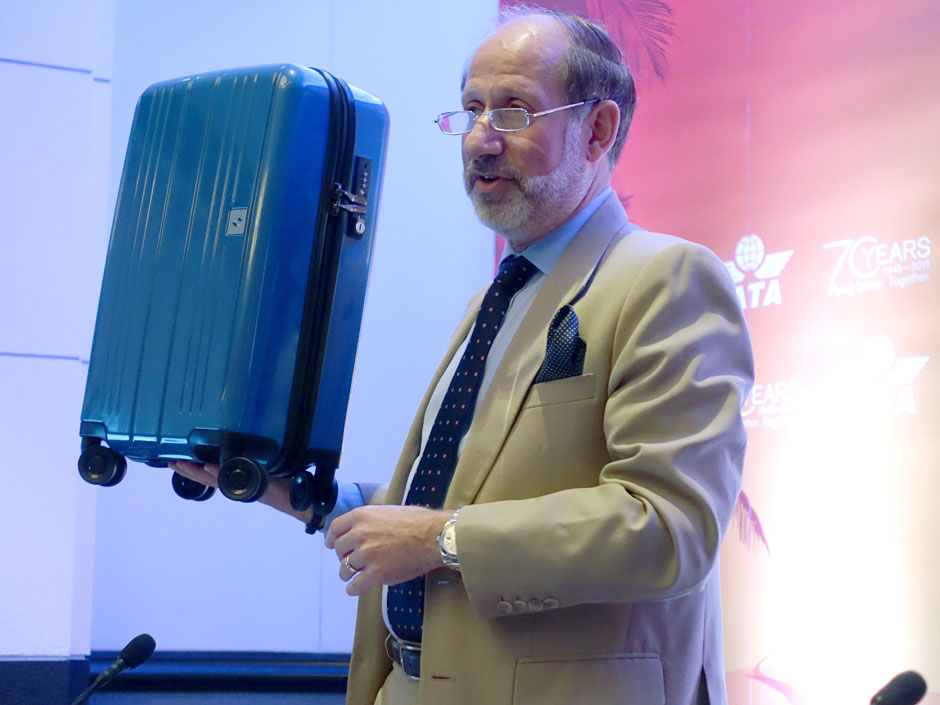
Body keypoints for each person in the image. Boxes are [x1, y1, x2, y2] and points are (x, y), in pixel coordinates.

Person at [173, 8, 753, 705]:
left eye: (512, 111)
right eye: (472, 110)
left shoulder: (665, 278)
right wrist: (300, 493)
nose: (479, 140)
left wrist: (441, 538)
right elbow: (446, 510)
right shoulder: (496, 299)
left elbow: (670, 528)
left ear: (597, 130)